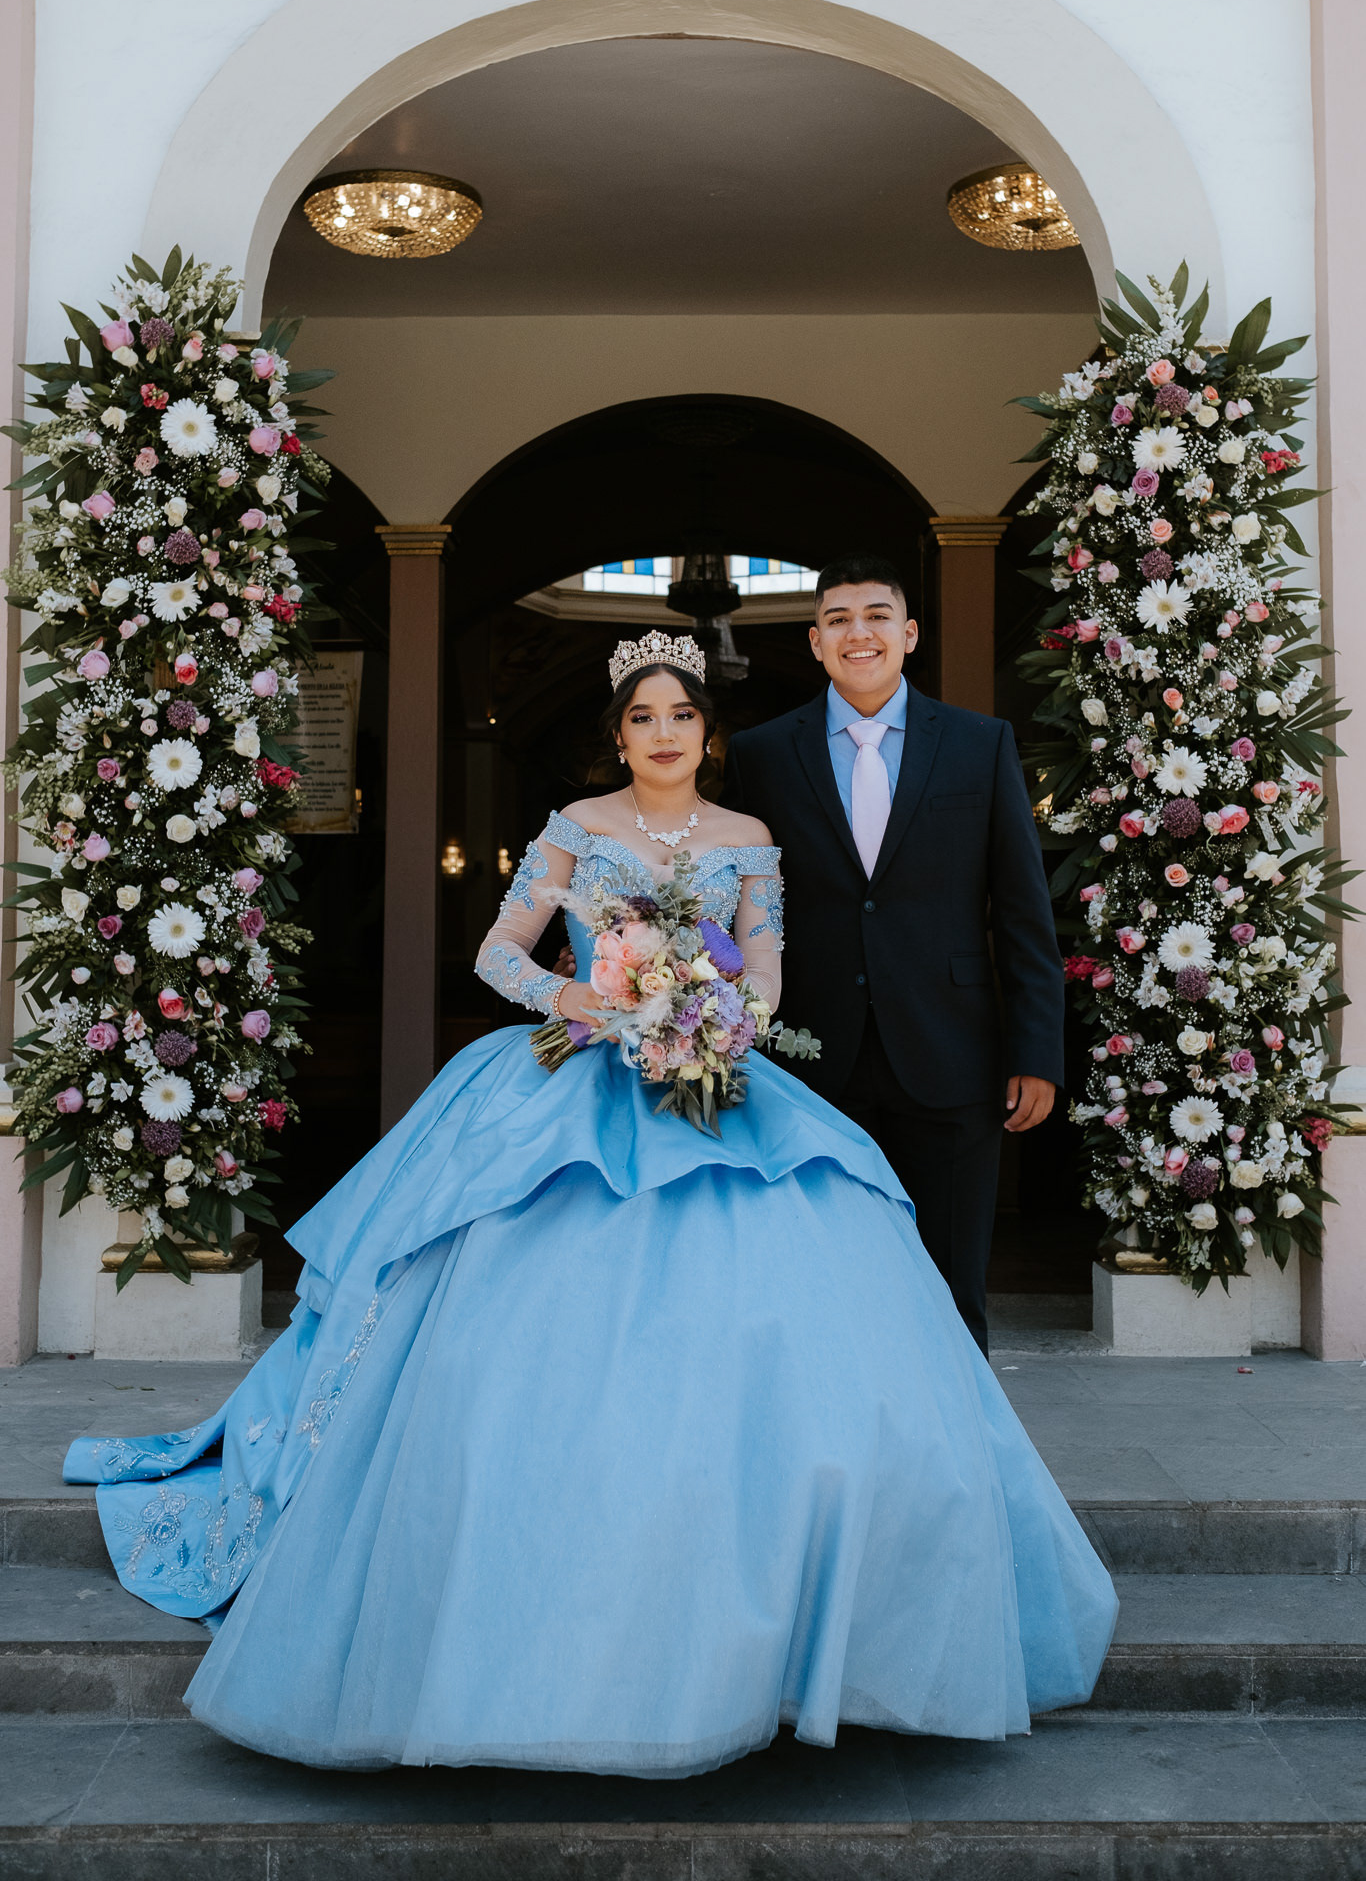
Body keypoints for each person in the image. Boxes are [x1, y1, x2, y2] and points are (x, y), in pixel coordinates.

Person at [65, 628, 1114, 1778]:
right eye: (642, 717)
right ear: (617, 734)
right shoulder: (575, 826)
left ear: (708, 734)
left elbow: (765, 960)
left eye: (682, 716)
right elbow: (498, 951)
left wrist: (727, 1016)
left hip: (710, 1076)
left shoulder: (747, 838)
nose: (664, 733)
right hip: (572, 1075)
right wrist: (581, 998)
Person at [722, 556, 1064, 1356]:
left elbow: (1022, 912)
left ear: (908, 635)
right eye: (838, 619)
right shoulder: (762, 754)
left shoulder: (980, 744)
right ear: (815, 642)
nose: (859, 633)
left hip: (953, 1054)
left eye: (877, 616)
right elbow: (732, 904)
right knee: (821, 1286)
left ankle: (959, 1434)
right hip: (809, 1060)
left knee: (950, 1290)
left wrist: (1037, 1052)